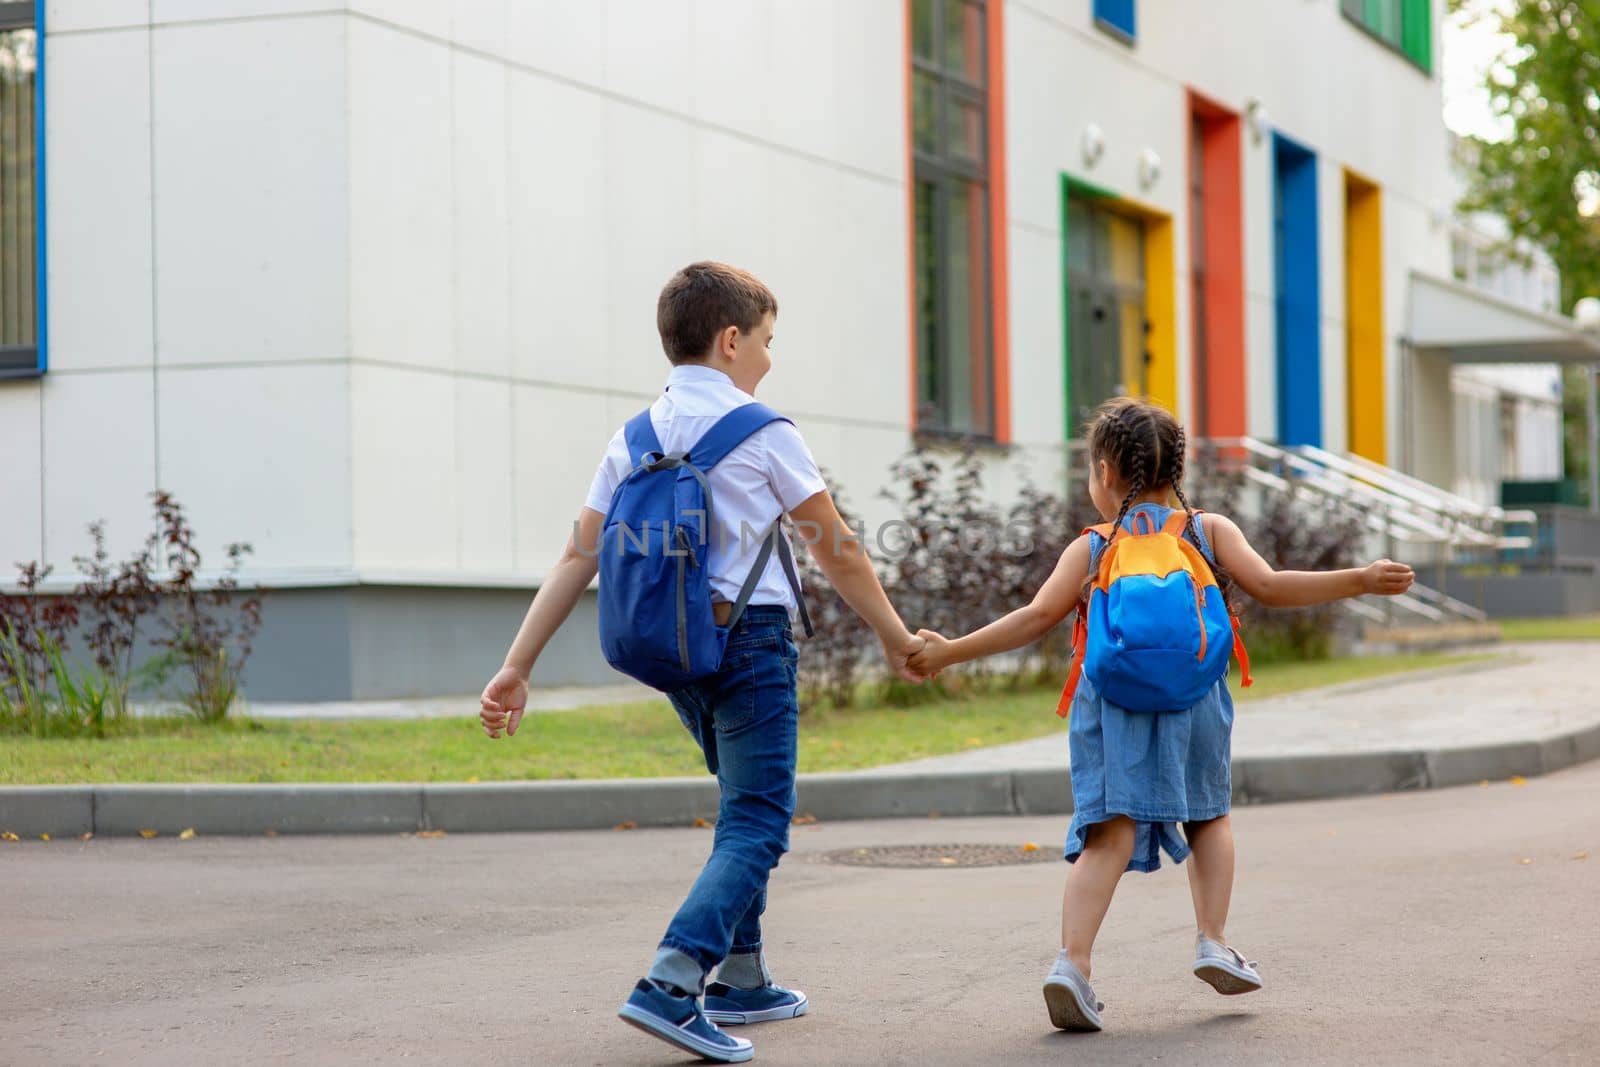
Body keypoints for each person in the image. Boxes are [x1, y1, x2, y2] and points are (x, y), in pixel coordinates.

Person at [479, 261, 926, 1063]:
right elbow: (841, 550)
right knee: (758, 818)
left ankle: (744, 976)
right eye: (765, 340)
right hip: (750, 644)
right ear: (730, 340)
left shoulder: (633, 438)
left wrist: (517, 665)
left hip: (673, 650)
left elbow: (576, 558)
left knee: (738, 806)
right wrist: (895, 636)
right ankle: (673, 981)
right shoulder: (764, 431)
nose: (768, 357)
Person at [908, 396, 1414, 1033]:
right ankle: (1212, 940)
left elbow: (1035, 618)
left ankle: (1073, 964)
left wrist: (951, 652)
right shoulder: (1208, 531)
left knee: (1107, 832)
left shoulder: (1095, 545)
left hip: (1111, 704)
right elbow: (1272, 586)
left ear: (1104, 472)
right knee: (1208, 816)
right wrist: (1359, 579)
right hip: (1195, 699)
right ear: (1175, 469)